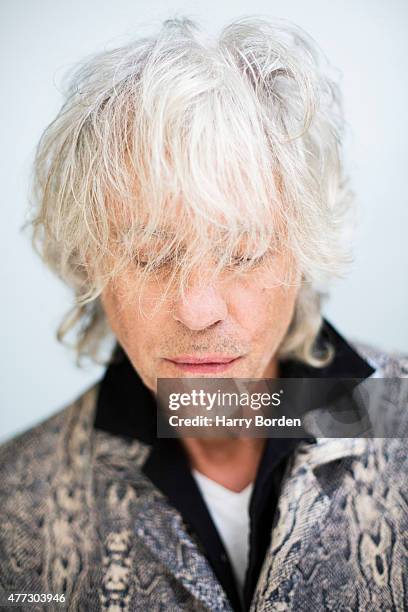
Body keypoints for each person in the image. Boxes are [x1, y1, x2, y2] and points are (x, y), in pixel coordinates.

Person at [1, 15, 407, 612]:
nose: (197, 309)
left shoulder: (396, 419)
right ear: (90, 261)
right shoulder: (15, 504)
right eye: (150, 255)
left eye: (242, 252)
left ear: (304, 250)